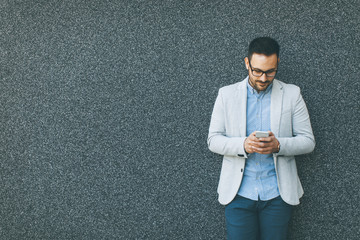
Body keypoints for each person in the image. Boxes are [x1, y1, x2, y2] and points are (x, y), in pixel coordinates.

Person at [207, 37, 315, 240]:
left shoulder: (292, 94)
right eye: (257, 71)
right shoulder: (226, 95)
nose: (263, 78)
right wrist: (243, 145)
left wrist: (279, 145)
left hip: (277, 194)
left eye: (270, 71)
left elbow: (308, 141)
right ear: (247, 63)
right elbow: (213, 140)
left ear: (277, 64)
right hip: (238, 194)